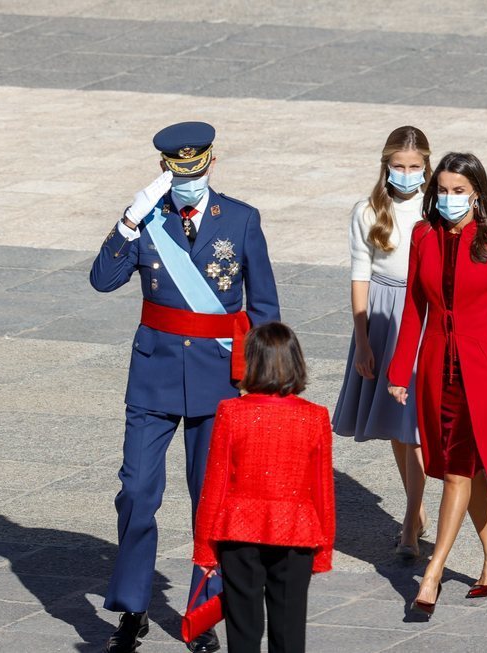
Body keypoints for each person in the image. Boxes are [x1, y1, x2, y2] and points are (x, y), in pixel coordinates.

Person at [90, 121, 280, 653]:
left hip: (217, 380)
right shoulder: (147, 222)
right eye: (180, 172)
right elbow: (102, 280)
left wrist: (263, 384)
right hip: (152, 377)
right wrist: (130, 217)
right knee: (136, 492)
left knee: (210, 500)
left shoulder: (241, 219)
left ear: (211, 164)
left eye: (197, 170)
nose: (190, 179)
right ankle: (132, 608)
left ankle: (203, 612)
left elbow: (264, 308)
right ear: (165, 171)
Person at [387, 152, 487, 617]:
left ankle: (432, 573)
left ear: (477, 193)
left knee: (458, 470)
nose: (450, 199)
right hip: (438, 369)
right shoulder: (422, 235)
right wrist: (400, 371)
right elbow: (415, 307)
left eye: (459, 191)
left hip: (480, 372)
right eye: (443, 190)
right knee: (465, 469)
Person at [193, 322, 335, 653]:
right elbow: (322, 490)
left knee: (242, 630)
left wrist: (203, 547)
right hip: (296, 532)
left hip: (237, 531)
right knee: (289, 631)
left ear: (252, 362)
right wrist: (324, 549)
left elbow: (214, 484)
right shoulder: (315, 416)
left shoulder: (231, 412)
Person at [332, 126, 431, 559]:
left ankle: (410, 524)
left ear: (426, 165)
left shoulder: (437, 206)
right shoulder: (369, 210)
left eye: (414, 166)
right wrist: (363, 339)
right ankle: (415, 510)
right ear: (386, 165)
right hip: (383, 315)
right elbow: (359, 274)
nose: (407, 174)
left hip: (424, 312)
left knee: (416, 427)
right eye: (399, 166)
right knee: (397, 425)